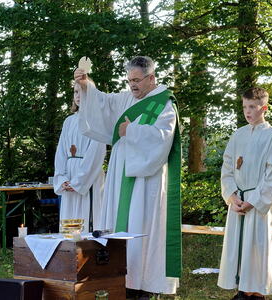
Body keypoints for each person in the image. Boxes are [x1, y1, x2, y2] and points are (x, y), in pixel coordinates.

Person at [74, 56, 181, 299]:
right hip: (120, 174)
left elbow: (162, 139)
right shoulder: (126, 98)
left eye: (137, 80)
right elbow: (103, 103)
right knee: (119, 225)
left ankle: (142, 286)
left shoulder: (163, 104)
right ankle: (120, 280)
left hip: (146, 183)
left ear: (151, 78)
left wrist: (130, 131)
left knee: (141, 229)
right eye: (129, 80)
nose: (132, 85)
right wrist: (86, 84)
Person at [217, 87, 272, 300]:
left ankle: (255, 293)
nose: (248, 111)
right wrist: (232, 196)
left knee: (256, 247)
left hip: (256, 202)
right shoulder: (238, 134)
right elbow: (227, 167)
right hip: (238, 200)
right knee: (238, 246)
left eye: (252, 107)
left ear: (263, 108)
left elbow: (271, 174)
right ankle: (242, 290)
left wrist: (252, 201)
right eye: (245, 107)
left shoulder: (271, 137)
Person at [53, 82, 106, 233]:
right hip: (69, 177)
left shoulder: (96, 121)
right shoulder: (69, 121)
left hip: (88, 178)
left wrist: (78, 182)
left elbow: (95, 154)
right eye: (75, 92)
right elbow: (61, 152)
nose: (78, 96)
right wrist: (62, 179)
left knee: (86, 223)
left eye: (82, 92)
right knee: (69, 225)